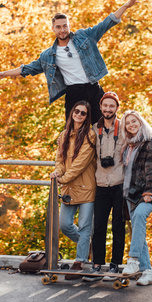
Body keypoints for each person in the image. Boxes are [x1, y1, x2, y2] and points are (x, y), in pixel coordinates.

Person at [0, 0, 141, 124]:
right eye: (59, 27)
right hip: (74, 93)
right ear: (53, 29)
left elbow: (106, 23)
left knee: (106, 125)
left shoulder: (84, 37)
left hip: (94, 88)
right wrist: (4, 74)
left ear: (69, 26)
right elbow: (27, 69)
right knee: (73, 133)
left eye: (65, 26)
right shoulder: (48, 56)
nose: (62, 30)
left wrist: (126, 6)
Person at [84, 92, 152, 282]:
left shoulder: (124, 128)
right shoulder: (95, 129)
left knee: (119, 227)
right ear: (101, 107)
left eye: (112, 106)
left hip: (121, 185)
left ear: (117, 108)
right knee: (99, 226)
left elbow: (144, 136)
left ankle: (115, 266)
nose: (108, 109)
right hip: (101, 183)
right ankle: (97, 265)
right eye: (105, 106)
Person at [120, 110, 152, 286]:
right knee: (138, 231)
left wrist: (150, 193)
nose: (131, 124)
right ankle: (148, 272)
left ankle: (133, 260)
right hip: (130, 194)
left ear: (141, 122)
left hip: (148, 194)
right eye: (128, 122)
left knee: (140, 216)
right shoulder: (128, 145)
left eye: (134, 121)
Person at [50, 101, 96, 279]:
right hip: (69, 188)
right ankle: (86, 245)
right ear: (72, 113)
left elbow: (80, 164)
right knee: (64, 224)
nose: (79, 114)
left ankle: (79, 261)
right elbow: (59, 161)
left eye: (83, 113)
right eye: (76, 111)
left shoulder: (90, 135)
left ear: (87, 116)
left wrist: (63, 178)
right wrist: (57, 173)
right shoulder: (64, 134)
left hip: (86, 188)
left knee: (85, 226)